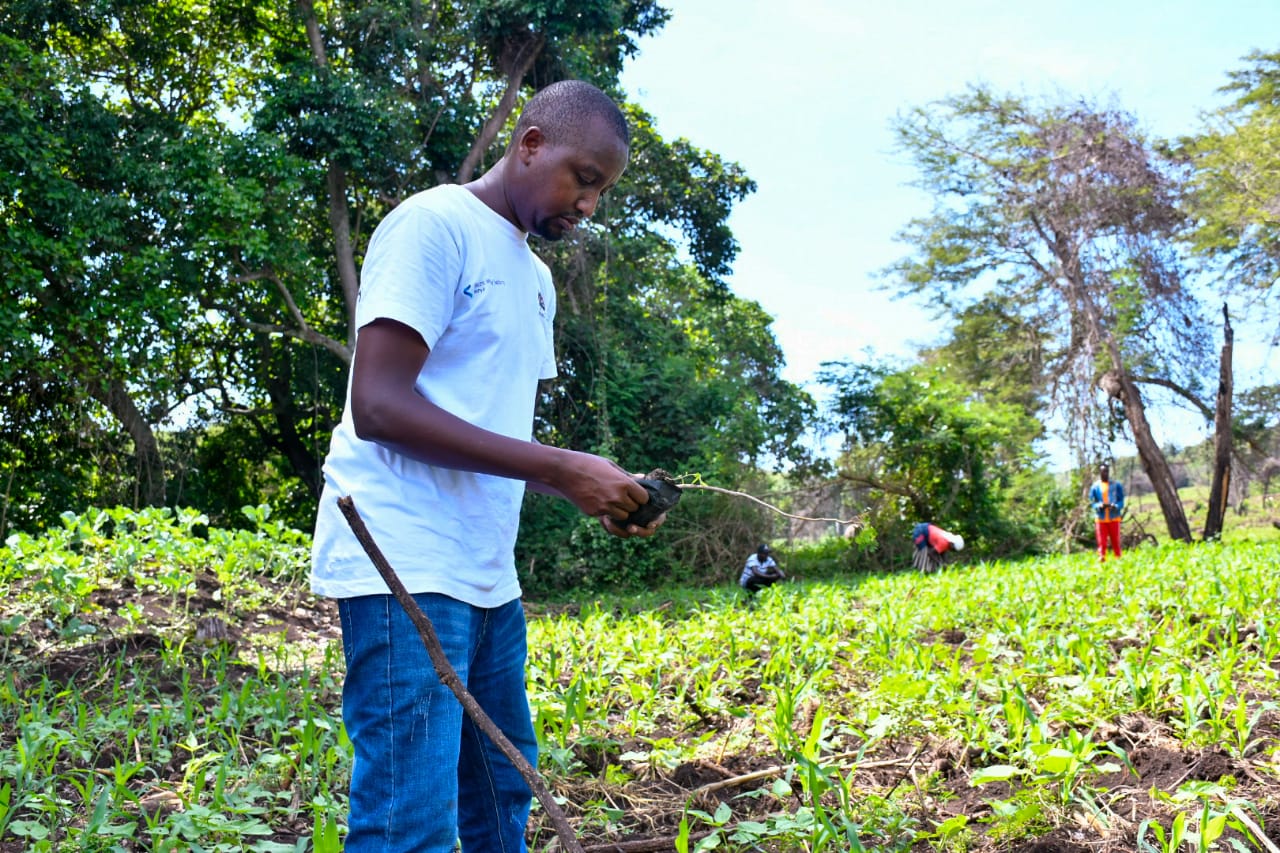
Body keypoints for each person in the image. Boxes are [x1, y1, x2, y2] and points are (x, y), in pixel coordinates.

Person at [310, 80, 666, 853]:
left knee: (503, 791)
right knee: (410, 818)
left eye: (601, 191)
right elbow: (378, 404)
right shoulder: (433, 225)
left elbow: (489, 426)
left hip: (484, 572)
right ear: (530, 143)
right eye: (584, 178)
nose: (589, 205)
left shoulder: (535, 279)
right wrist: (563, 465)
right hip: (402, 558)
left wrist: (587, 485)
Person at [1089, 462, 1125, 561]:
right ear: (1100, 472)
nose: (1105, 473)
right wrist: (1099, 505)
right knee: (1102, 541)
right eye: (1103, 471)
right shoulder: (1095, 486)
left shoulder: (1116, 485)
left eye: (1107, 471)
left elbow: (1121, 500)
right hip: (1101, 518)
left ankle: (1118, 558)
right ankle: (1102, 558)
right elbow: (1092, 502)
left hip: (1114, 517)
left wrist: (1116, 506)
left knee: (1115, 541)